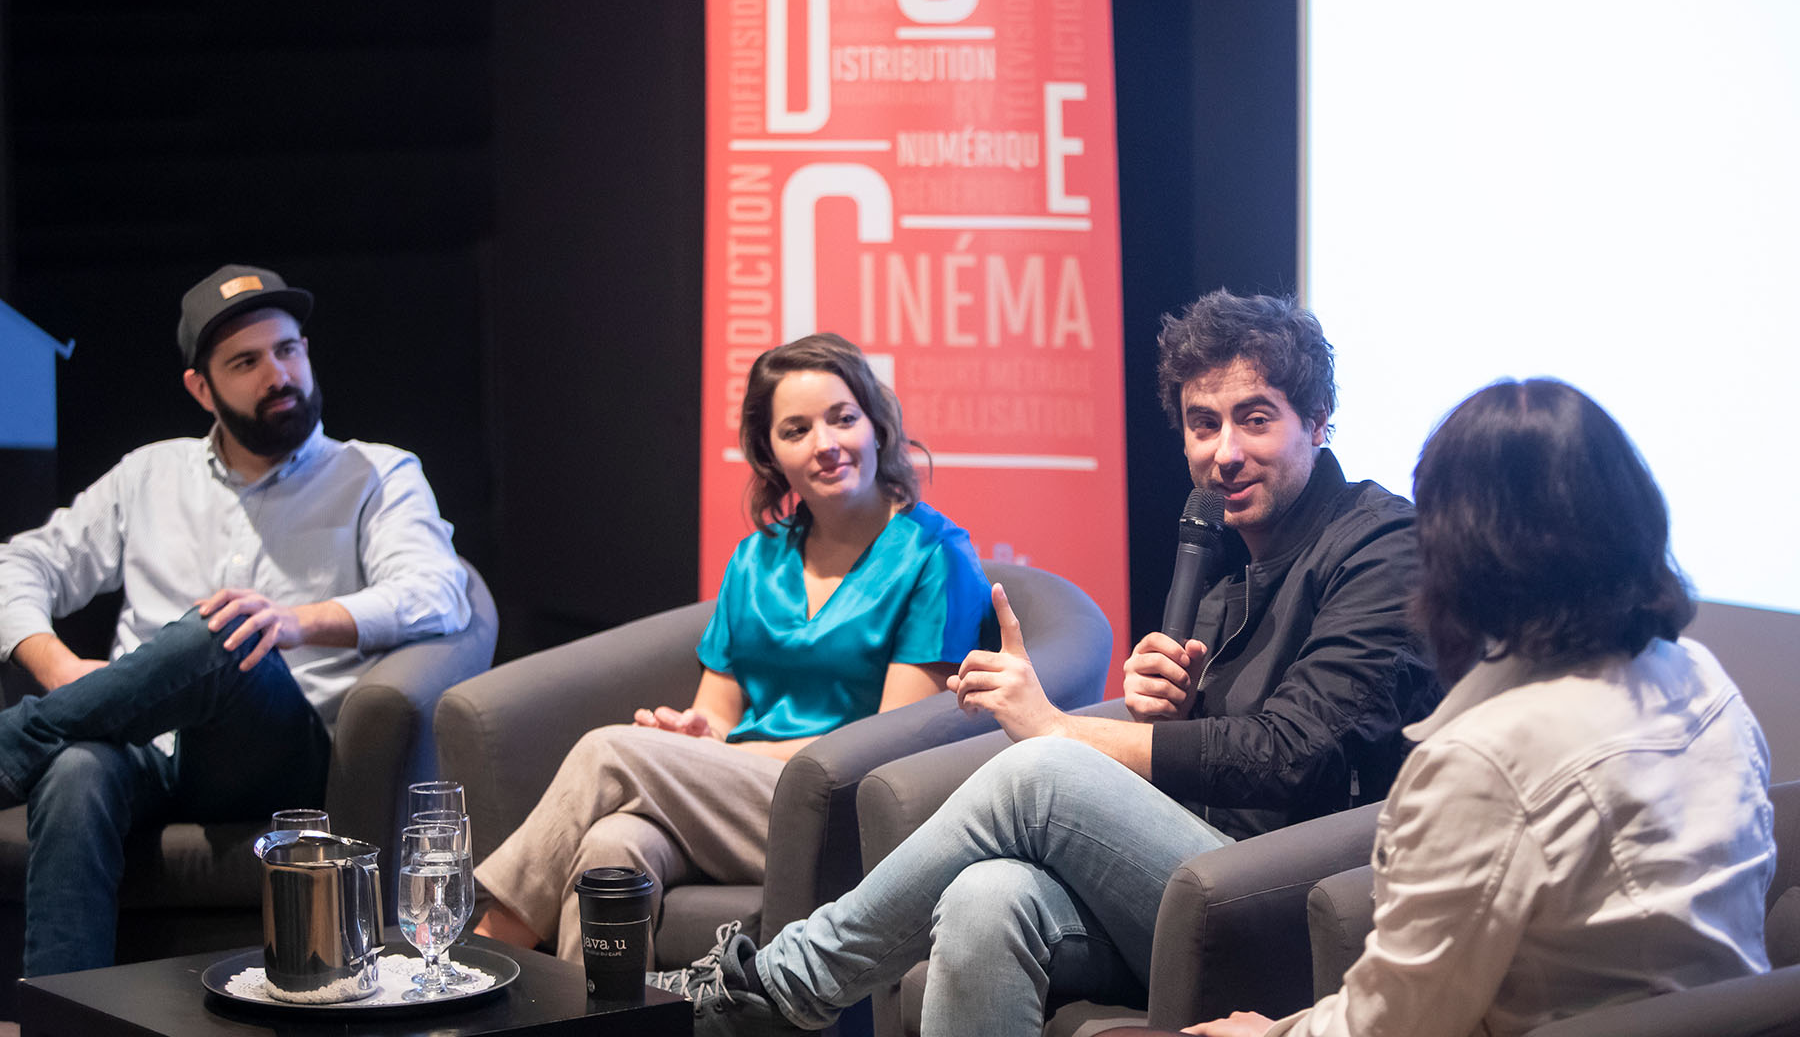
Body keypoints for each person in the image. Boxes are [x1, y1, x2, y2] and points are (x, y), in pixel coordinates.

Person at [658, 290, 1441, 1037]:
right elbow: (1212, 767)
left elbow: (1293, 755)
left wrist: (1062, 730)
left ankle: (782, 986)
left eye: (1255, 420)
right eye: (1203, 425)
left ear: (1318, 419)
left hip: (1300, 907)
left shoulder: (1383, 545)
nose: (1225, 454)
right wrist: (1165, 713)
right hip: (1199, 883)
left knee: (1041, 768)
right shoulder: (1228, 568)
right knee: (985, 895)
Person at [1169, 378, 1776, 1037]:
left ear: (1456, 550)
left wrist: (1269, 1035)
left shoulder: (1486, 758)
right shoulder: (1701, 674)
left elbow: (1393, 1026)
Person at [0, 263, 471, 976]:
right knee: (73, 769)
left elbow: (439, 592)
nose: (278, 375)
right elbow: (21, 562)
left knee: (228, 628)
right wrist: (59, 667)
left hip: (275, 751)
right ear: (201, 388)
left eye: (288, 350)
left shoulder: (375, 474)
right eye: (246, 363)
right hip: (144, 748)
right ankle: (61, 1013)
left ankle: (17, 742)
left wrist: (295, 622)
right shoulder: (148, 474)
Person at [471, 332, 994, 966]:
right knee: (611, 847)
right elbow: (715, 713)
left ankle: (482, 962)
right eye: (797, 430)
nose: (826, 444)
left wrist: (708, 756)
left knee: (610, 753)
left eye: (843, 418)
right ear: (771, 453)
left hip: (839, 807)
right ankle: (593, 1014)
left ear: (877, 427)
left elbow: (886, 747)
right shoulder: (755, 559)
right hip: (737, 798)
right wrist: (694, 736)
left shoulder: (935, 555)